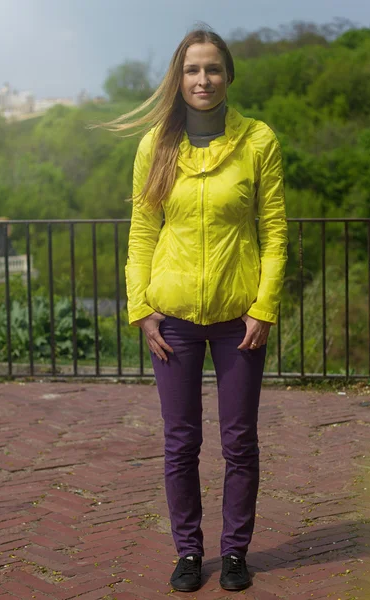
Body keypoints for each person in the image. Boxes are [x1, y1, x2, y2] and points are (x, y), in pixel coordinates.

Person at [102, 27, 287, 593]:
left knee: (240, 442)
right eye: (191, 70)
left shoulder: (258, 141)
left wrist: (264, 307)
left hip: (239, 319)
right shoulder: (155, 144)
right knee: (180, 441)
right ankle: (189, 552)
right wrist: (142, 309)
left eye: (211, 69)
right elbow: (141, 234)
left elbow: (274, 232)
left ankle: (235, 554)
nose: (202, 80)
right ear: (177, 79)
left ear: (228, 74)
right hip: (173, 318)